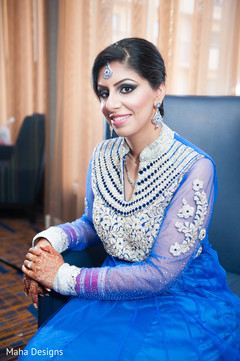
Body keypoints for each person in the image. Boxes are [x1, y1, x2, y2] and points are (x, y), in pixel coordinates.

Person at [20, 38, 240, 360]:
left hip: (179, 297)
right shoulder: (102, 154)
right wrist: (49, 243)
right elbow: (94, 224)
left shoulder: (194, 168)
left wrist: (62, 276)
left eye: (126, 88)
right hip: (112, 286)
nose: (110, 104)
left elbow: (159, 275)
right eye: (104, 92)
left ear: (158, 92)